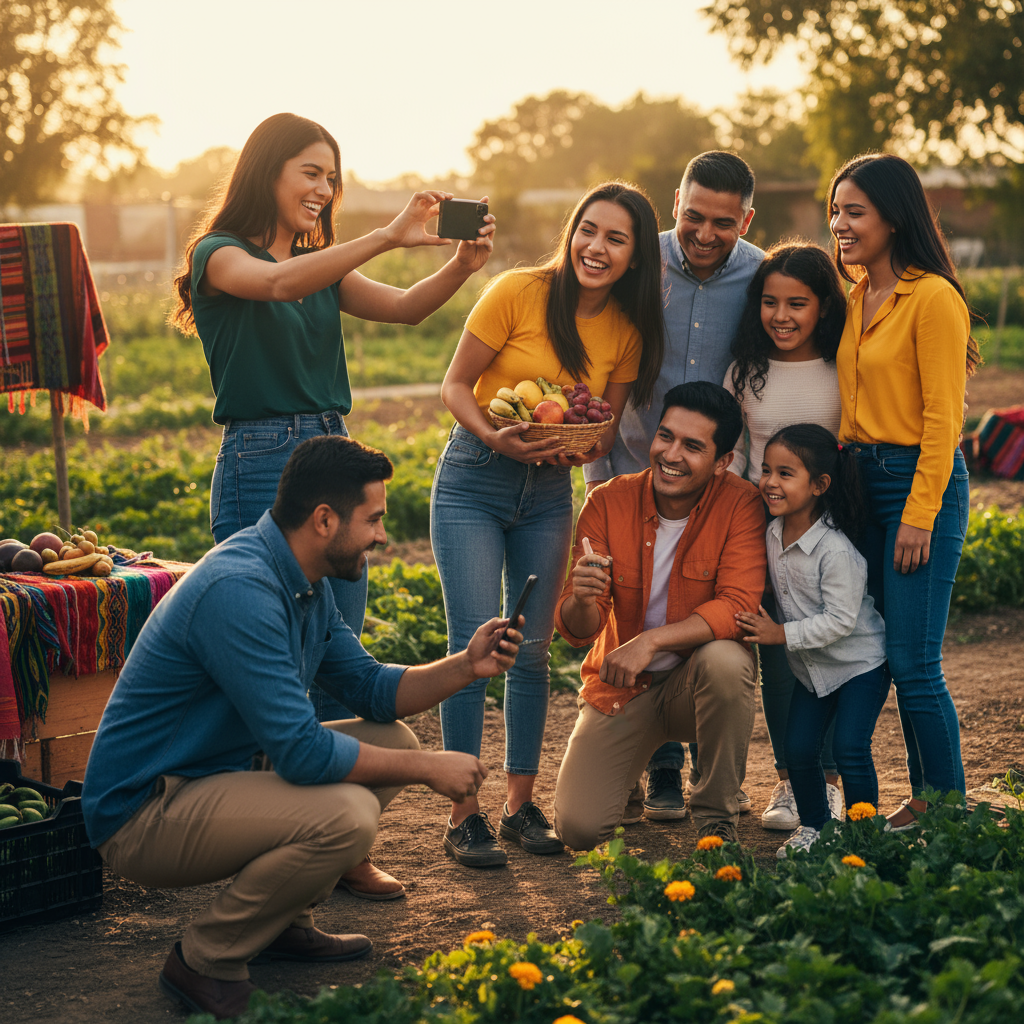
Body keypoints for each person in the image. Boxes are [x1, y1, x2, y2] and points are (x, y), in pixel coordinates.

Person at [81, 435, 523, 1021]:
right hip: (144, 811)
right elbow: (301, 752)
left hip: (212, 776)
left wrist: (467, 665)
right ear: (324, 520)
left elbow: (370, 687)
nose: (383, 536)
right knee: (347, 815)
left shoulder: (302, 580)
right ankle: (206, 960)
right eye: (373, 519)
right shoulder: (241, 589)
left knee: (392, 741)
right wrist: (428, 770)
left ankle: (282, 924)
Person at [170, 112, 494, 896]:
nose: (323, 188)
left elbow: (407, 307)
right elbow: (276, 285)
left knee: (332, 648)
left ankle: (338, 845)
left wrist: (460, 264)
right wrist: (385, 234)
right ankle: (269, 834)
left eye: (331, 176)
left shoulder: (322, 267)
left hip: (331, 452)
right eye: (310, 172)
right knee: (274, 660)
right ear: (268, 172)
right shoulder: (220, 255)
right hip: (261, 461)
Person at [430, 181, 665, 866]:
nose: (596, 246)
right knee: (474, 645)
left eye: (615, 238)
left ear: (634, 256)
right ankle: (463, 812)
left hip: (548, 492)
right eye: (588, 229)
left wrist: (578, 445)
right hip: (476, 476)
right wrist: (494, 436)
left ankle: (518, 807)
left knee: (531, 650)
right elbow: (454, 385)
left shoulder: (625, 329)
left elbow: (603, 428)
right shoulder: (517, 291)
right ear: (572, 231)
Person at [583, 151, 763, 823]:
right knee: (631, 608)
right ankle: (653, 763)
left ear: (746, 220)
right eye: (693, 216)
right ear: (676, 203)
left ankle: (704, 779)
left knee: (700, 612)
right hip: (632, 464)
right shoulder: (638, 258)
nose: (705, 234)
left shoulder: (761, 274)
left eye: (724, 222)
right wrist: (597, 471)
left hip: (716, 484)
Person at [828, 153, 980, 828]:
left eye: (855, 212)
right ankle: (924, 801)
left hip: (920, 483)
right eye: (835, 211)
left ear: (893, 217)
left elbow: (945, 419)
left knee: (915, 662)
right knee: (887, 653)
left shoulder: (934, 297)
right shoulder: (856, 297)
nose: (841, 224)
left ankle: (944, 812)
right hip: (862, 486)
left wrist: (920, 514)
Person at [552, 382, 766, 847]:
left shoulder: (742, 504)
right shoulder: (608, 501)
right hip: (623, 688)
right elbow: (578, 631)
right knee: (579, 829)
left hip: (696, 687)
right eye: (665, 436)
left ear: (723, 461)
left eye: (692, 446)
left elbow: (738, 605)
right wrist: (582, 600)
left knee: (727, 661)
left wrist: (650, 641)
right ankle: (626, 777)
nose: (671, 454)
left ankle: (716, 818)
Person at [724, 241, 848, 829]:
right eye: (770, 302)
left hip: (830, 534)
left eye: (797, 303)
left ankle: (828, 782)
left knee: (831, 650)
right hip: (762, 531)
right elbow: (733, 454)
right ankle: (789, 781)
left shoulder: (842, 367)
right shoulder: (745, 371)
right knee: (776, 653)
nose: (781, 315)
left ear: (823, 306)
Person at [735, 424, 889, 858]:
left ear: (820, 485)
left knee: (850, 748)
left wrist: (779, 633)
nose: (770, 481)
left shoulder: (835, 550)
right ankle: (815, 828)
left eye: (785, 473)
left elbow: (841, 621)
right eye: (766, 470)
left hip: (860, 665)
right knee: (799, 750)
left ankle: (865, 835)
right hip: (813, 669)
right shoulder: (772, 533)